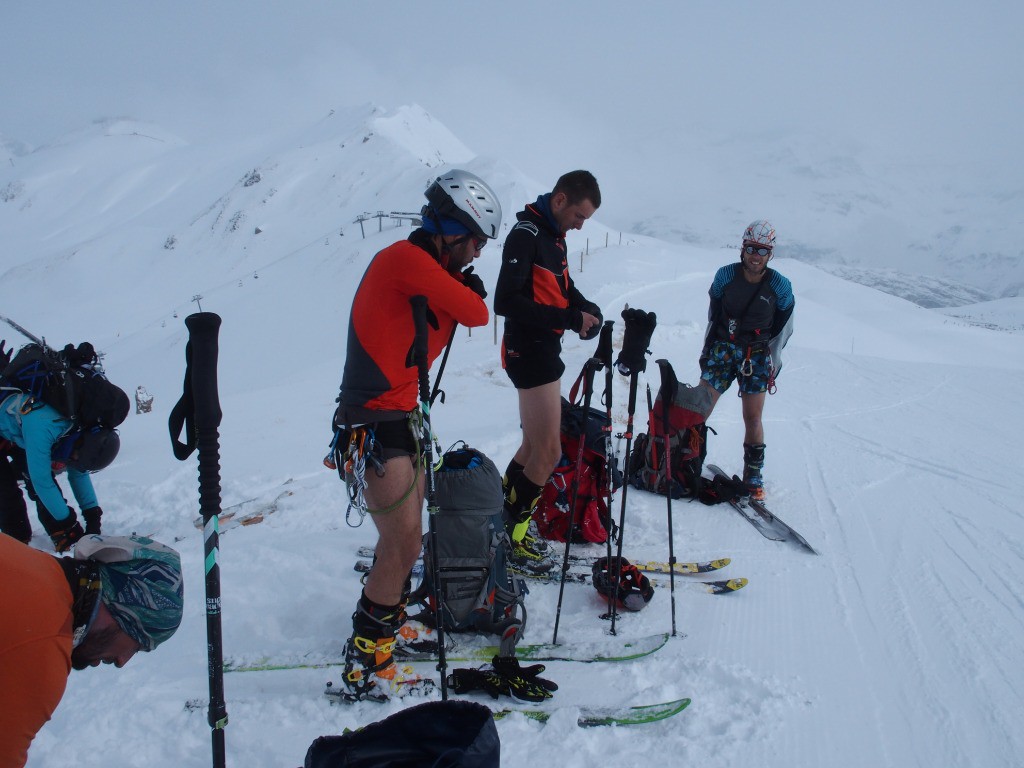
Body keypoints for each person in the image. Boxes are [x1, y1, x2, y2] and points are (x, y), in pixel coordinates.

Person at [330, 169, 501, 701]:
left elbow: (459, 314)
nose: (475, 252)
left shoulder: (422, 266)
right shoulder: (404, 261)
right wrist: (462, 292)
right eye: (473, 240)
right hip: (376, 423)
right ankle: (366, 657)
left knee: (404, 541)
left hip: (400, 418)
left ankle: (384, 628)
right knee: (401, 542)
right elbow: (475, 311)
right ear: (450, 228)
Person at [493, 170, 603, 569]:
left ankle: (498, 524)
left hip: (542, 348)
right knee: (549, 450)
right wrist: (570, 318)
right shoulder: (526, 234)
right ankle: (511, 540)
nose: (580, 224)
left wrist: (586, 308)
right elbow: (505, 300)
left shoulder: (552, 237)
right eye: (579, 216)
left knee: (531, 447)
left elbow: (563, 287)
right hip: (530, 351)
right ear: (559, 200)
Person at [0, 533, 185, 767]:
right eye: (137, 645)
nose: (121, 661)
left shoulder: (28, 564)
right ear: (122, 611)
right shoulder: (44, 646)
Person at [697, 219, 794, 501]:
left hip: (757, 355)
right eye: (752, 248)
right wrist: (708, 351)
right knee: (700, 408)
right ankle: (688, 460)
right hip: (723, 350)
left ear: (771, 254)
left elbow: (783, 325)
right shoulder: (725, 276)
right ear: (743, 247)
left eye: (763, 251)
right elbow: (714, 315)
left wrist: (771, 358)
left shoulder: (780, 286)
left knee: (753, 417)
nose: (756, 255)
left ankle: (754, 478)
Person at [0, 377, 122, 549]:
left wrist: (93, 517)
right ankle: (17, 543)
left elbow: (79, 472)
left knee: (38, 482)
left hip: (18, 426)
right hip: (21, 425)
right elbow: (42, 482)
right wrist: (69, 523)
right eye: (75, 458)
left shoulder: (80, 430)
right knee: (5, 489)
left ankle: (60, 534)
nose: (72, 460)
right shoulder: (46, 427)